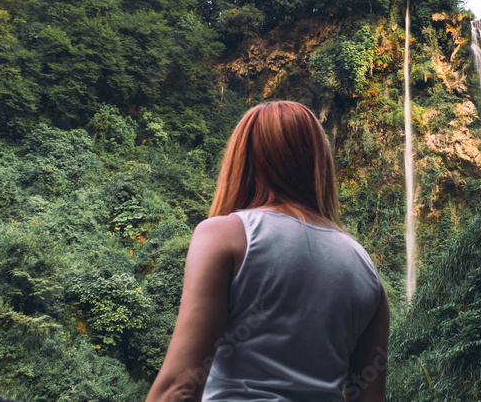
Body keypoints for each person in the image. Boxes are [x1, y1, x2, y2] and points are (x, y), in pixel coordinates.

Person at [146, 101, 389, 402]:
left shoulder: (225, 236)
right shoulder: (366, 269)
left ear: (241, 161)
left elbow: (178, 389)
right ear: (320, 163)